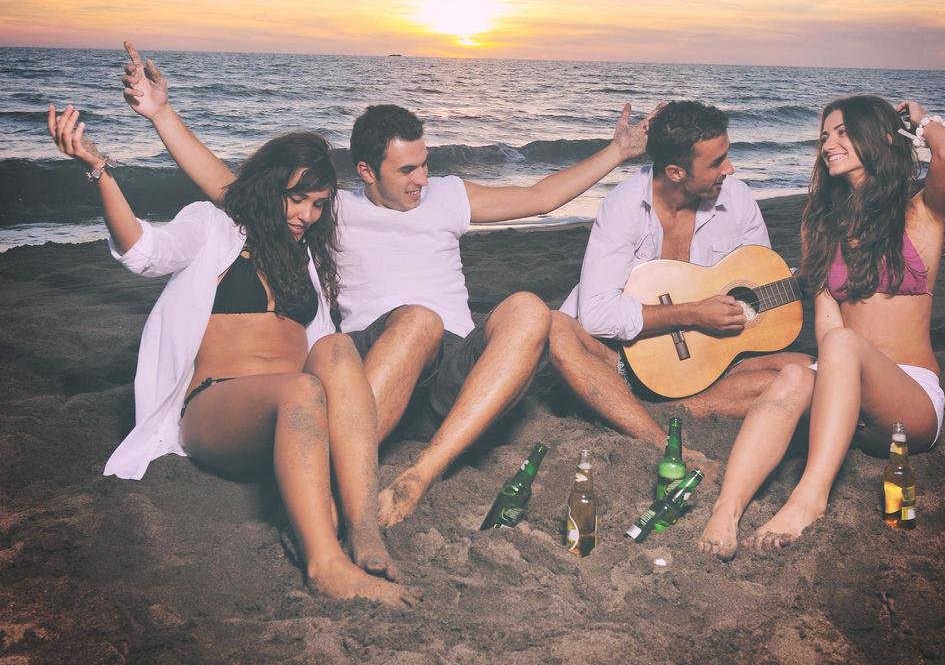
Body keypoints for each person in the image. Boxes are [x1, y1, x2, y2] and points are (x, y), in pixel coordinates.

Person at [116, 43, 655, 525]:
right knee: (417, 318)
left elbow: (540, 197)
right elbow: (231, 189)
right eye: (406, 171)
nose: (421, 179)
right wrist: (161, 113)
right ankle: (339, 474)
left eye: (424, 164)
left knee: (530, 310)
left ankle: (423, 471)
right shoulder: (332, 211)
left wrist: (617, 152)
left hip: (456, 370)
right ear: (368, 172)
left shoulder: (447, 195)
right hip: (377, 364)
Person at [46, 103, 416, 605]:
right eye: (297, 199)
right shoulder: (213, 229)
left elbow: (328, 356)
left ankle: (364, 530)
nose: (306, 215)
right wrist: (98, 171)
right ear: (270, 188)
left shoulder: (307, 258)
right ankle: (325, 566)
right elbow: (140, 248)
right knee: (302, 387)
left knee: (335, 346)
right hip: (218, 410)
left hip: (297, 420)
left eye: (317, 204)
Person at [698, 95, 945, 557]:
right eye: (824, 136)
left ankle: (808, 499)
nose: (829, 144)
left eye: (842, 132)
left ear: (880, 137)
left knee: (840, 344)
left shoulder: (922, 214)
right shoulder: (826, 228)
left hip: (910, 404)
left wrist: (918, 120)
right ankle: (727, 509)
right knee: (795, 374)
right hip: (847, 405)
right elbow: (826, 326)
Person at [547, 100, 810, 461]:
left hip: (702, 365)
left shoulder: (739, 199)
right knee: (557, 328)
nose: (729, 170)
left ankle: (677, 409)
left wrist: (804, 283)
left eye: (726, 156)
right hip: (615, 359)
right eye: (716, 163)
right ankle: (646, 414)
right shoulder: (623, 207)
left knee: (805, 374)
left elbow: (758, 277)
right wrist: (692, 314)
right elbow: (596, 314)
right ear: (675, 172)